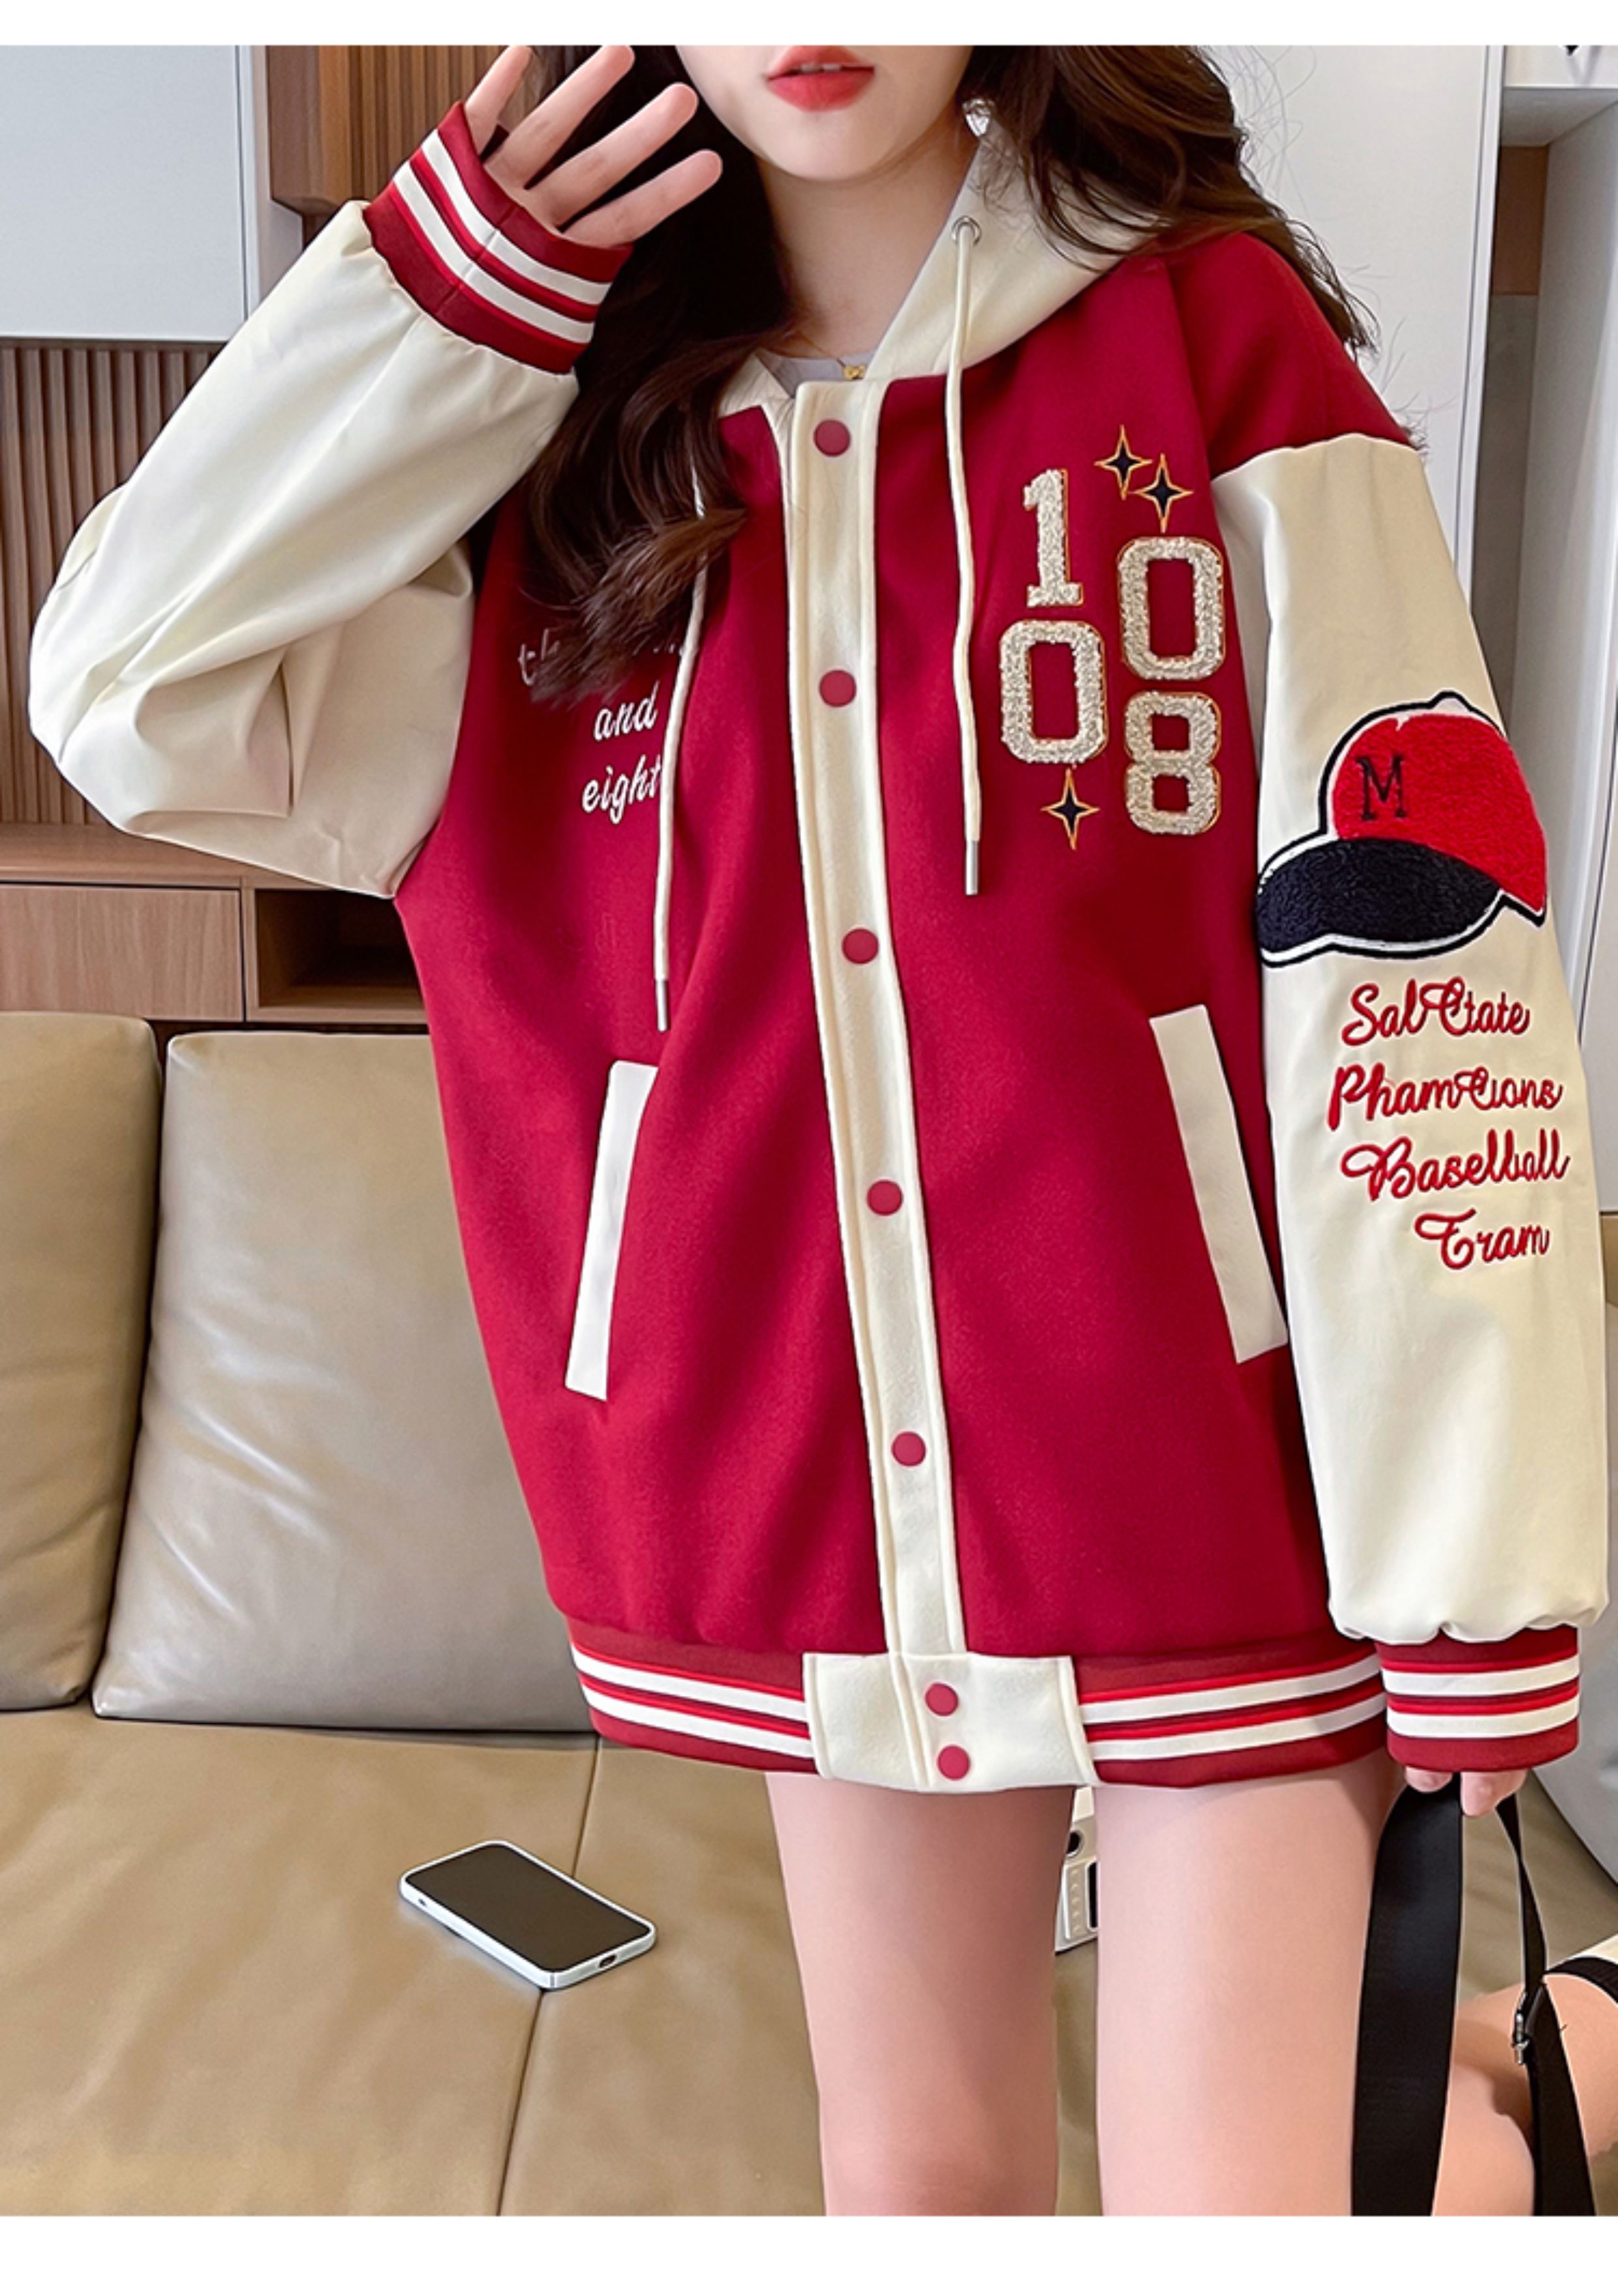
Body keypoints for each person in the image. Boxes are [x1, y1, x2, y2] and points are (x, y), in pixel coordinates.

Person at [27, 42, 1618, 2214]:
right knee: (922, 2193)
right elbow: (125, 694)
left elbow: (1419, 960)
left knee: (1257, 2220)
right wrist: (435, 299)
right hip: (824, 1529)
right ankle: (1520, 2053)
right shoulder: (537, 455)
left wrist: (1472, 1555)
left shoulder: (1212, 342)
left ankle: (1513, 2078)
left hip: (1222, 1497)